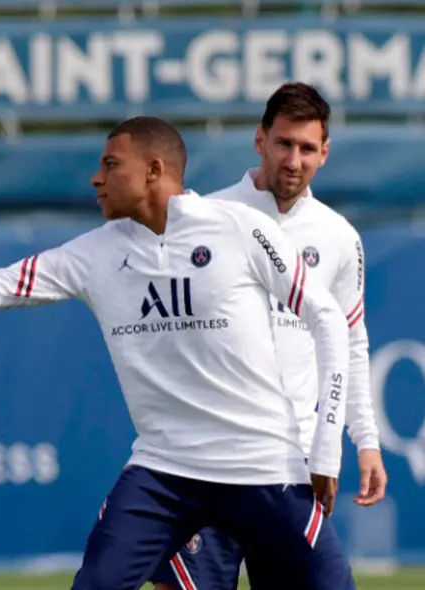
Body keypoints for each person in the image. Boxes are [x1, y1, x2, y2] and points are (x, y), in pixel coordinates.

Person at [0, 116, 355, 589]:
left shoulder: (240, 228)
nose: (95, 178)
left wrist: (327, 449)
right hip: (165, 471)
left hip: (262, 466)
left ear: (154, 170)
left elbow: (327, 318)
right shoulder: (94, 252)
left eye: (110, 164)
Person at [150, 82, 387, 590]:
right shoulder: (201, 217)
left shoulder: (339, 237)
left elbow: (350, 342)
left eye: (307, 148)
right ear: (260, 140)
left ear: (325, 153)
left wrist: (365, 440)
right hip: (207, 460)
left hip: (290, 467)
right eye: (284, 144)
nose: (294, 160)